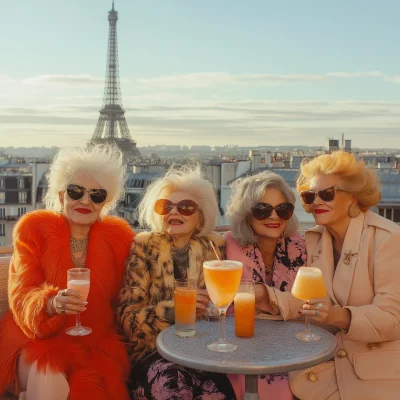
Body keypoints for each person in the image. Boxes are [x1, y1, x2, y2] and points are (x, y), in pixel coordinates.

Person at [256, 151, 400, 400]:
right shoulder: (314, 239)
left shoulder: (387, 239)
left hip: (376, 375)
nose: (316, 202)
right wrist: (265, 296)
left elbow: (392, 319)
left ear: (353, 197)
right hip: (323, 368)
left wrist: (337, 316)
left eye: (327, 194)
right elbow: (310, 302)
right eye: (310, 196)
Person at [0, 145, 135, 400]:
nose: (85, 201)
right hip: (38, 337)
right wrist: (50, 304)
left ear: (105, 202)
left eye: (96, 195)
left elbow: (130, 295)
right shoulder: (34, 231)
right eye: (76, 191)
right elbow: (22, 292)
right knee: (48, 376)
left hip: (95, 342)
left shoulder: (119, 239)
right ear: (61, 195)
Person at [118, 164, 236, 400]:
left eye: (186, 207)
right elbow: (128, 320)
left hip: (203, 354)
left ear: (201, 216)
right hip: (156, 354)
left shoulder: (216, 251)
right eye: (166, 207)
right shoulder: (144, 249)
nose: (175, 212)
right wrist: (176, 310)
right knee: (172, 388)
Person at [224, 171, 307, 400]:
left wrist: (263, 297)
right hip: (243, 346)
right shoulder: (226, 247)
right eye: (262, 209)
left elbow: (306, 302)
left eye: (283, 209)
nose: (274, 216)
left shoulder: (302, 246)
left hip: (293, 345)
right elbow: (224, 305)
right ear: (246, 215)